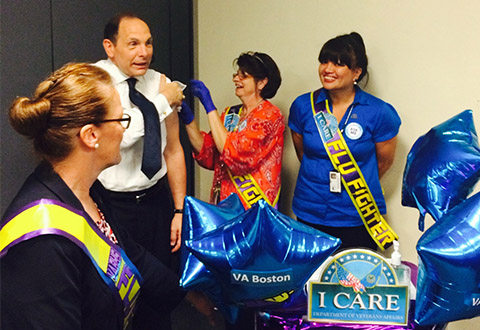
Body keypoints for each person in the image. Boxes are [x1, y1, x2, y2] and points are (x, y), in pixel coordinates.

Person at [0, 63, 213, 330]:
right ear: (91, 135)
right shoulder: (39, 242)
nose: (125, 129)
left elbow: (134, 256)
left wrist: (192, 295)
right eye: (121, 119)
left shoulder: (89, 192)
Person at [95, 13, 186, 329]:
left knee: (159, 290)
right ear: (111, 46)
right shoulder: (95, 83)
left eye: (148, 43)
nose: (143, 52)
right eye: (133, 44)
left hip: (155, 203)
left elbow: (173, 149)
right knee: (111, 293)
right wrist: (161, 103)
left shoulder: (160, 82)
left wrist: (179, 209)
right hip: (109, 204)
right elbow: (113, 140)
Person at [288, 32, 401, 251]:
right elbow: (302, 152)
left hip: (357, 214)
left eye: (338, 64)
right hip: (310, 210)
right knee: (312, 281)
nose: (327, 69)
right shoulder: (303, 106)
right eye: (324, 61)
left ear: (356, 73)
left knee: (354, 281)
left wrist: (352, 180)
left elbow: (384, 162)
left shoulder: (379, 112)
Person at [179, 51, 284, 211]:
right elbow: (209, 155)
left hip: (252, 207)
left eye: (244, 76)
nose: (236, 79)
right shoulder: (231, 113)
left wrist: (209, 107)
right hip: (224, 203)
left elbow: (235, 154)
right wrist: (189, 120)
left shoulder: (270, 115)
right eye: (236, 74)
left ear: (261, 83)